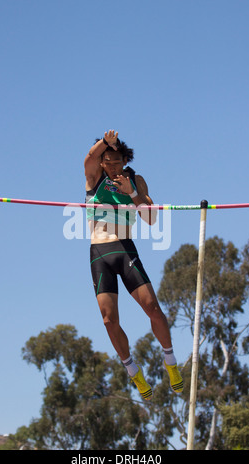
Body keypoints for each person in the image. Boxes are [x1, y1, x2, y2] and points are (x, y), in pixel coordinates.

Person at [84, 130, 183, 400]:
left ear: (125, 161)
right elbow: (89, 158)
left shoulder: (136, 180)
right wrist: (105, 142)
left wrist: (133, 194)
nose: (112, 166)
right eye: (107, 161)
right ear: (102, 161)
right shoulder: (93, 178)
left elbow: (151, 220)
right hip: (99, 252)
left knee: (152, 307)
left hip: (124, 247)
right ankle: (133, 371)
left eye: (117, 162)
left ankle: (171, 361)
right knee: (108, 319)